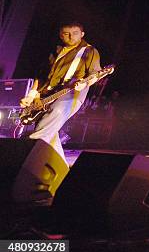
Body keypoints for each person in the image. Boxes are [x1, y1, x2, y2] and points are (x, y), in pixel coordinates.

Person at [20, 22, 101, 163]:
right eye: (66, 34)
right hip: (46, 96)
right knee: (51, 133)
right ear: (60, 35)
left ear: (82, 34)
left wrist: (85, 83)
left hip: (71, 95)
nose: (71, 37)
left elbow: (95, 74)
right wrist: (32, 94)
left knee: (45, 126)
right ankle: (60, 167)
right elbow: (41, 75)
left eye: (75, 33)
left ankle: (24, 156)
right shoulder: (55, 51)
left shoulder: (89, 51)